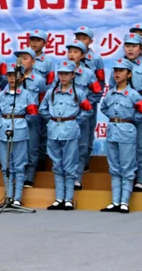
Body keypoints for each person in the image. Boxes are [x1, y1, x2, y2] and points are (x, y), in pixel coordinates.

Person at [39, 61, 93, 211]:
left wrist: (74, 121)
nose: (63, 77)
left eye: (66, 74)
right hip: (54, 131)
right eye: (61, 74)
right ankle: (58, 198)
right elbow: (42, 109)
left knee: (70, 165)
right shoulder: (51, 93)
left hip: (70, 131)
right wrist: (51, 120)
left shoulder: (79, 93)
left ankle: (68, 199)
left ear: (73, 75)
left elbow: (88, 110)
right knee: (57, 165)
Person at [111, 33, 142, 192]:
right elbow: (113, 86)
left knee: (141, 143)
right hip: (124, 107)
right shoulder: (118, 67)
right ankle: (127, 178)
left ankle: (141, 179)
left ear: (141, 49)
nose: (130, 49)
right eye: (127, 46)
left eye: (134, 46)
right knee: (124, 144)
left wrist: (139, 97)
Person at [100, 58, 142, 214]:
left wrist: (130, 121)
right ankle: (115, 201)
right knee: (114, 167)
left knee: (127, 167)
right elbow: (103, 108)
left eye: (121, 71)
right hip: (112, 129)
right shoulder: (110, 93)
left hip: (127, 131)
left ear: (129, 74)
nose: (117, 74)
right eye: (115, 70)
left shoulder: (133, 94)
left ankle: (124, 202)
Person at [0, 63, 38, 206]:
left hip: (20, 130)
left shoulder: (27, 95)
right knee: (6, 165)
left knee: (19, 164)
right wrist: (4, 121)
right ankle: (8, 196)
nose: (12, 79)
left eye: (15, 75)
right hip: (2, 130)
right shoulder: (1, 94)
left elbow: (33, 114)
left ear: (22, 78)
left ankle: (17, 198)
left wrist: (20, 121)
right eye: (9, 75)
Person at [61, 40, 102, 189]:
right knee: (63, 147)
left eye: (76, 52)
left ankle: (77, 177)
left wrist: (85, 107)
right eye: (70, 51)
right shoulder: (61, 70)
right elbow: (52, 92)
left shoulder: (88, 73)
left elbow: (97, 92)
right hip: (64, 118)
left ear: (83, 55)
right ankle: (63, 178)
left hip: (80, 117)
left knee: (81, 146)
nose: (71, 55)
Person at [12, 47, 46, 187]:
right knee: (16, 147)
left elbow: (42, 99)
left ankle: (29, 177)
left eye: (25, 58)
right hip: (15, 118)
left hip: (32, 118)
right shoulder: (12, 77)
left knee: (32, 146)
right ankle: (15, 175)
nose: (22, 62)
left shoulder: (38, 80)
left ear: (33, 62)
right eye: (19, 59)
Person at [73, 27, 105, 174]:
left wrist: (90, 102)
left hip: (88, 104)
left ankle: (84, 164)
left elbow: (100, 83)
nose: (80, 40)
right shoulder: (68, 60)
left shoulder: (96, 59)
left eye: (84, 38)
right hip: (70, 106)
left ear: (90, 41)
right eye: (78, 37)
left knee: (87, 135)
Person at [27, 29, 54, 171]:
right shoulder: (22, 59)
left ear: (44, 43)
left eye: (38, 40)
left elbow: (50, 84)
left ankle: (40, 163)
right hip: (22, 108)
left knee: (42, 135)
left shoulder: (48, 62)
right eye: (32, 40)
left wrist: (45, 105)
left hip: (40, 103)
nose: (34, 43)